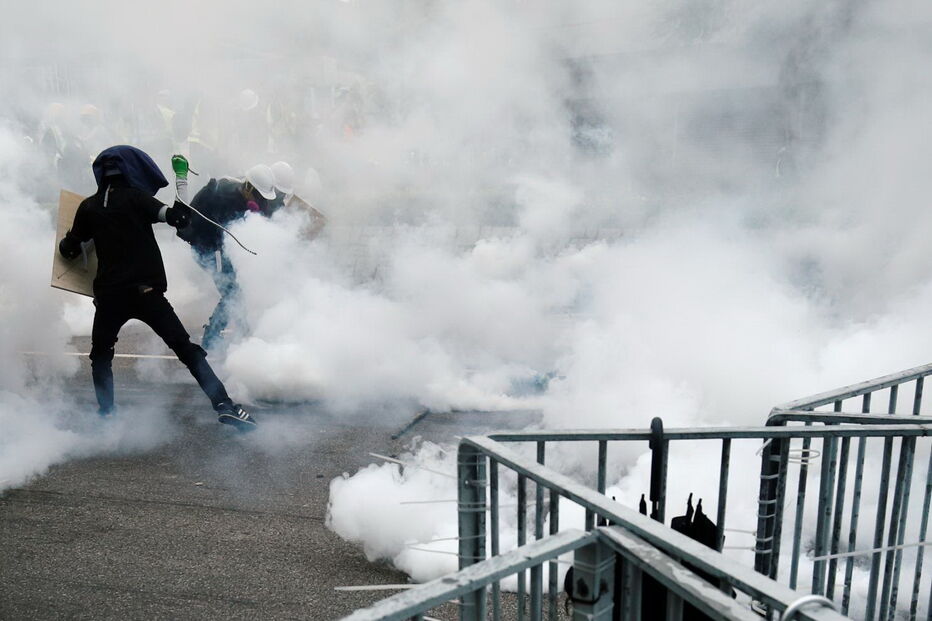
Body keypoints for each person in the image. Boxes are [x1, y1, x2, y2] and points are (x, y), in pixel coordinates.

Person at [57, 145, 256, 430]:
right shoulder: (138, 199)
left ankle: (107, 417)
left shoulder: (88, 207)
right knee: (187, 351)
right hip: (147, 293)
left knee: (101, 356)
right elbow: (181, 218)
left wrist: (75, 238)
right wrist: (182, 179)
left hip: (109, 297)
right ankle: (226, 406)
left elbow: (68, 251)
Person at [175, 161, 276, 350]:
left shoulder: (249, 197)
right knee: (231, 293)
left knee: (237, 291)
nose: (261, 201)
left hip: (223, 247)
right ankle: (211, 339)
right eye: (258, 195)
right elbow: (222, 238)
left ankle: (245, 333)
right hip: (207, 247)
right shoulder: (224, 198)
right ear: (248, 186)